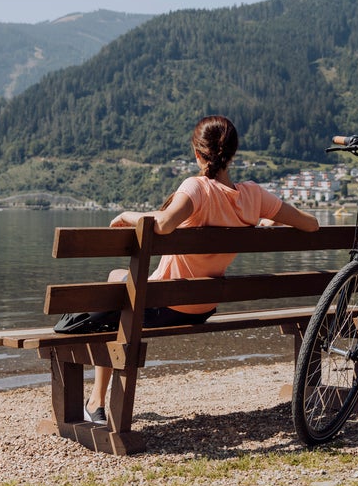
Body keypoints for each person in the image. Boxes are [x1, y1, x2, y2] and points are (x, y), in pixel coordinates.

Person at [84, 115, 319, 424]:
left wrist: (128, 214)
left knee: (114, 289)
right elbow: (311, 224)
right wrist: (269, 218)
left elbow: (166, 223)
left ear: (197, 154)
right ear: (232, 154)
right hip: (203, 306)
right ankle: (97, 400)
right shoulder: (253, 196)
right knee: (120, 288)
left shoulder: (195, 187)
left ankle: (96, 401)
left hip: (164, 306)